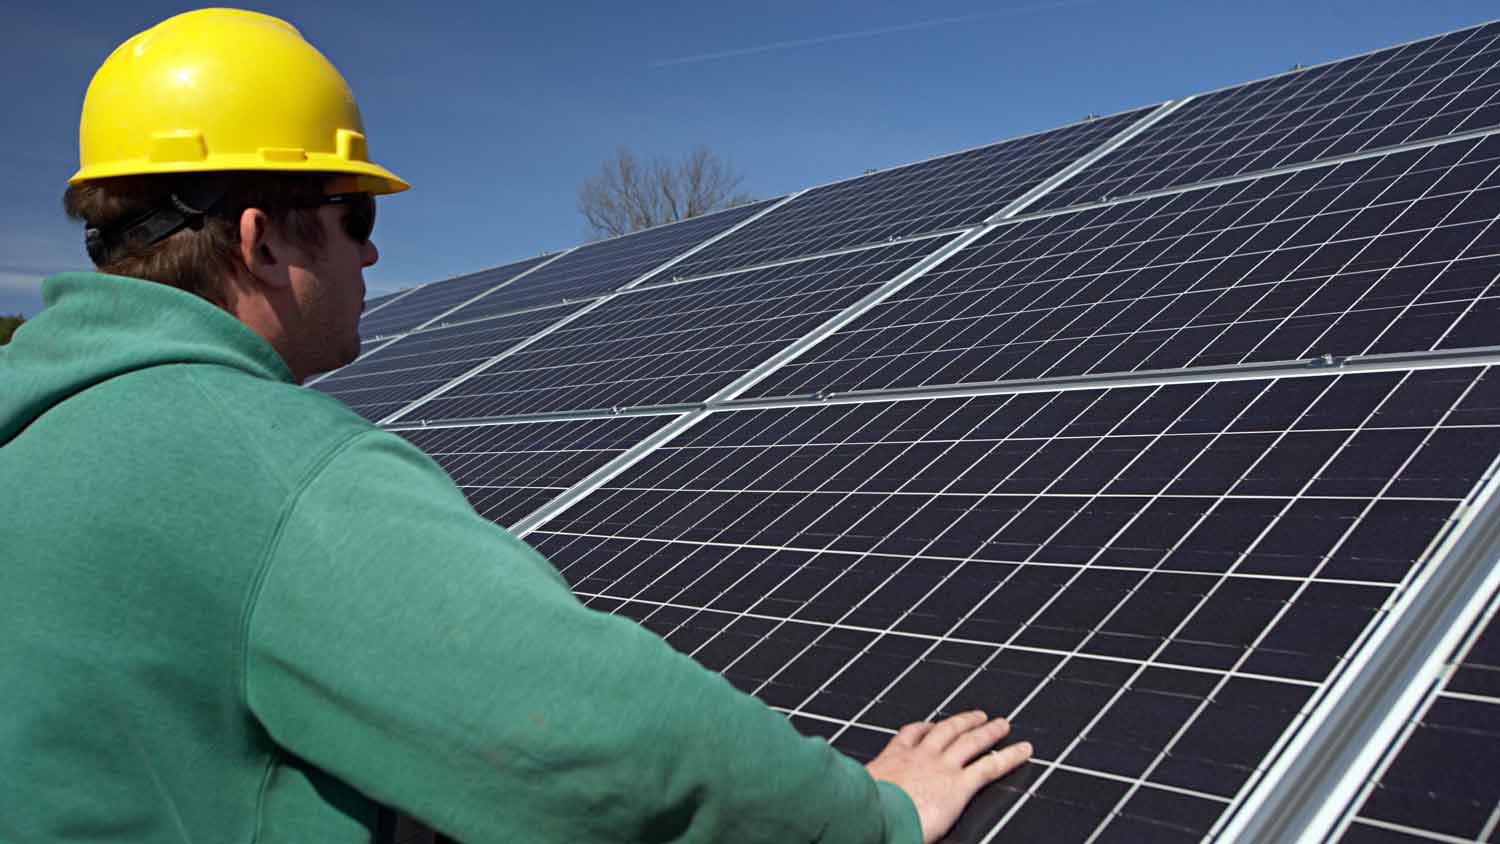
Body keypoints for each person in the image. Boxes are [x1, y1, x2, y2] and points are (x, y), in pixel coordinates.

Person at [0, 9, 1032, 843]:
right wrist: (873, 813)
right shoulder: (268, 471)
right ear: (264, 241)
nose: (370, 257)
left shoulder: (33, 432)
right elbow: (591, 735)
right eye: (356, 217)